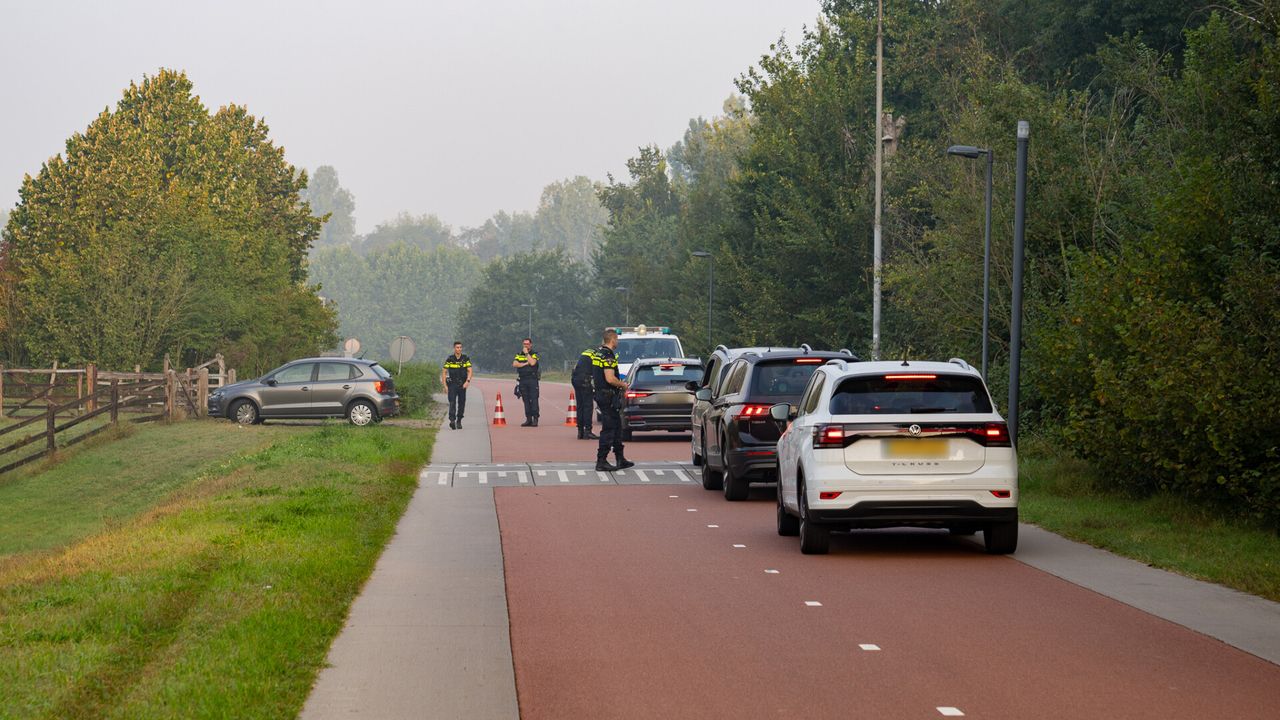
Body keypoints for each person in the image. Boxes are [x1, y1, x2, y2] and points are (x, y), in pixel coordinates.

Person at [592, 329, 634, 471]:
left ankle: (620, 458)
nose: (618, 342)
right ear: (613, 339)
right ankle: (601, 461)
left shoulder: (598, 353)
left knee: (616, 426)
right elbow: (610, 378)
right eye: (617, 339)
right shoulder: (608, 355)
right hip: (607, 396)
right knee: (609, 428)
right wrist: (623, 385)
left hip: (602, 394)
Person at [440, 341, 472, 430]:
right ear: (454, 348)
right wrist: (445, 386)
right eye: (457, 347)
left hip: (462, 384)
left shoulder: (465, 358)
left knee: (461, 403)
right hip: (452, 384)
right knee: (452, 402)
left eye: (460, 347)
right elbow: (444, 372)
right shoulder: (450, 359)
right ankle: (452, 421)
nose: (459, 349)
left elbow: (470, 370)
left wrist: (467, 381)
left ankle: (459, 420)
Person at [571, 346, 599, 440]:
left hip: (575, 379)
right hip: (585, 381)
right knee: (588, 406)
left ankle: (580, 432)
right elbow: (597, 370)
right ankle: (588, 431)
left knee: (580, 406)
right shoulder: (596, 355)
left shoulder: (585, 353)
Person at [512, 337, 540, 426]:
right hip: (523, 379)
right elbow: (515, 364)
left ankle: (535, 419)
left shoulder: (534, 353)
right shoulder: (519, 354)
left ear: (531, 345)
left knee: (534, 399)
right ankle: (528, 419)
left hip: (532, 380)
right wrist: (524, 363)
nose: (525, 345)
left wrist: (527, 354)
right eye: (524, 344)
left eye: (527, 344)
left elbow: (532, 363)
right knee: (526, 400)